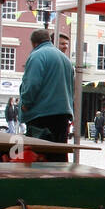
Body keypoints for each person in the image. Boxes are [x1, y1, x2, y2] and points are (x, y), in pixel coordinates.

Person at [19, 30, 75, 161]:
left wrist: (26, 104)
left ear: (34, 43)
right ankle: (61, 180)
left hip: (42, 114)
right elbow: (71, 88)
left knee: (41, 155)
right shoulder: (66, 60)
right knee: (59, 154)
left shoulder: (37, 56)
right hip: (63, 114)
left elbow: (32, 83)